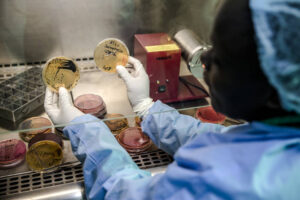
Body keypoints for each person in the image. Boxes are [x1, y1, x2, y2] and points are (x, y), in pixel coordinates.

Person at [44, 0, 300, 199]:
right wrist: (147, 107)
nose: (205, 61)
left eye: (221, 58)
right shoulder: (285, 133)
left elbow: (124, 194)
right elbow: (222, 140)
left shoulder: (235, 184)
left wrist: (85, 131)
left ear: (272, 81)